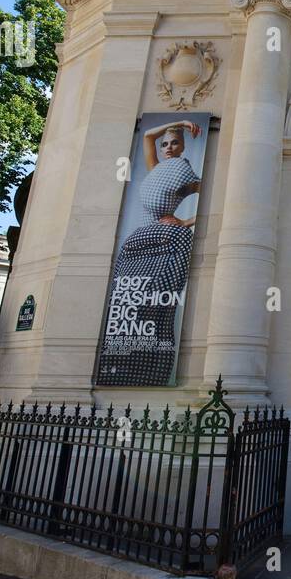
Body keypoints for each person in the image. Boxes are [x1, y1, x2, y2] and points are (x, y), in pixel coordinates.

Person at [97, 119, 203, 386]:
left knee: (153, 307)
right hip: (137, 242)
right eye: (165, 143)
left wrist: (184, 221)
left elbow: (213, 198)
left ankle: (148, 370)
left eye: (174, 142)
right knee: (123, 306)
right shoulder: (155, 167)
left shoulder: (183, 171)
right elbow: (147, 135)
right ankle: (120, 369)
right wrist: (179, 121)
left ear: (183, 146)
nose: (168, 147)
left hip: (166, 242)